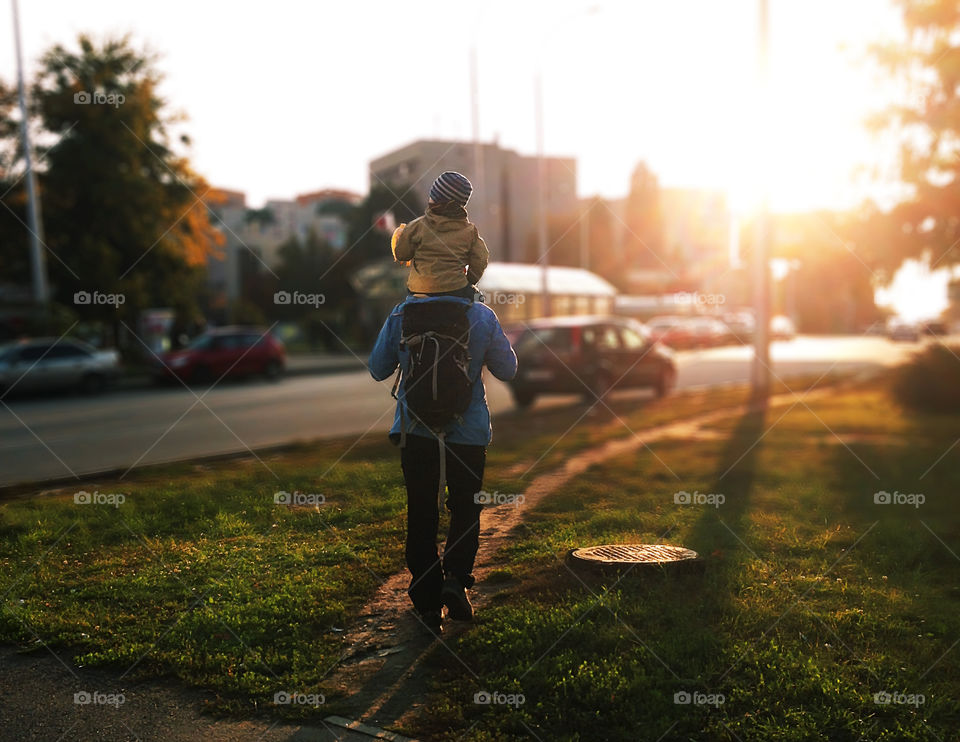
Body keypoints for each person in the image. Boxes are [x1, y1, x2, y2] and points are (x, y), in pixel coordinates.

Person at [368, 292, 517, 635]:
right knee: (466, 507)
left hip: (415, 429)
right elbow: (507, 370)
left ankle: (427, 602)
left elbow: (378, 369)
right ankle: (455, 578)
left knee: (421, 510)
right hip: (468, 432)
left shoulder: (402, 313)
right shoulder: (480, 315)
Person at [392, 171, 489, 300]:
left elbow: (402, 254)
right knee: (480, 299)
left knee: (401, 311)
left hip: (419, 289)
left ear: (433, 197)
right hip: (456, 289)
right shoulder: (470, 231)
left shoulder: (416, 226)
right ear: (462, 204)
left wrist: (400, 236)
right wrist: (469, 280)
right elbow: (481, 258)